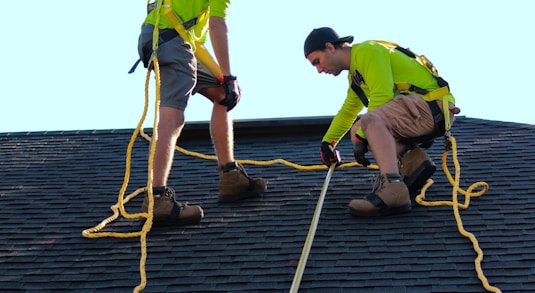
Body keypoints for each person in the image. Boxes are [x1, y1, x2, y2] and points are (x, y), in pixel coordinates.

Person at [303, 27, 460, 218]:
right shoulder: (356, 76)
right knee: (361, 128)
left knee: (368, 123)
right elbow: (348, 111)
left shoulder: (367, 51)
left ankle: (393, 188)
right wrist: (328, 142)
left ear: (330, 47)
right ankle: (414, 162)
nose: (319, 70)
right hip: (422, 110)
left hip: (429, 106)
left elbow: (382, 96)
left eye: (317, 62)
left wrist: (363, 135)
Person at [135, 0, 266, 226]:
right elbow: (217, 25)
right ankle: (156, 198)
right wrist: (229, 75)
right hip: (171, 40)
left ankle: (230, 176)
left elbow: (199, 38)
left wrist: (225, 80)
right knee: (172, 117)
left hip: (175, 39)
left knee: (225, 95)